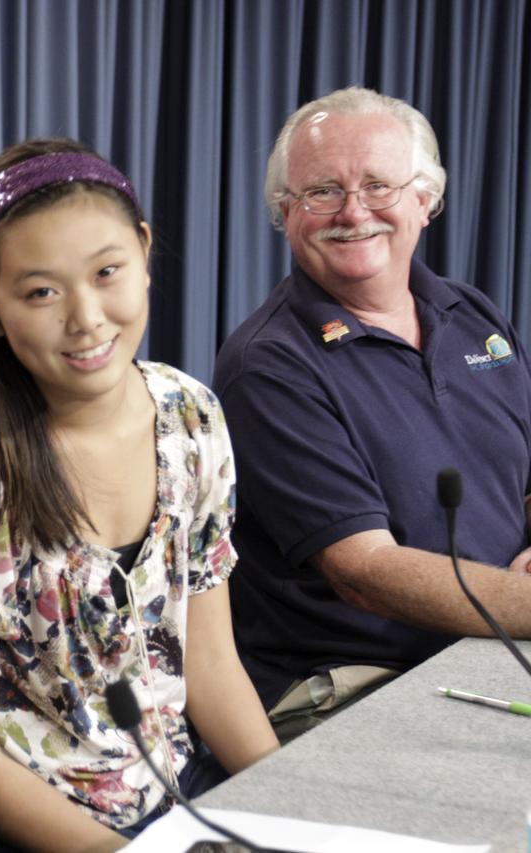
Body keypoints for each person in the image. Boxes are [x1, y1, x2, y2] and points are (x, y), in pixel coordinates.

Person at [0, 139, 278, 852]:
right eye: (41, 291)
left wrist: (297, 810)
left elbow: (211, 666)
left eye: (107, 272)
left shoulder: (191, 415)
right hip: (45, 825)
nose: (85, 317)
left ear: (142, 251)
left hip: (182, 798)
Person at [213, 86, 531, 741]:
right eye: (321, 191)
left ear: (426, 199)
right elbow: (365, 571)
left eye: (379, 185)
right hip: (356, 679)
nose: (353, 211)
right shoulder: (268, 363)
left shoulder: (473, 314)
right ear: (286, 212)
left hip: (497, 646)